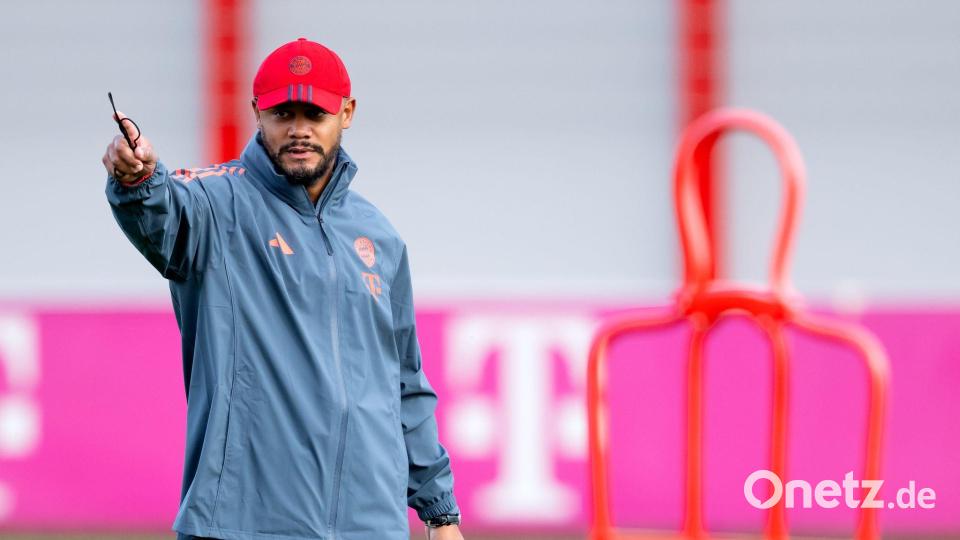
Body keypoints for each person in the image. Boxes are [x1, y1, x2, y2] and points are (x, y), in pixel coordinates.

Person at [102, 38, 463, 540]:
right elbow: (161, 214)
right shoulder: (214, 204)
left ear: (347, 113)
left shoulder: (379, 237)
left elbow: (405, 382)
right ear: (256, 112)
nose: (298, 129)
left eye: (314, 114)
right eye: (282, 113)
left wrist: (440, 513)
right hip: (244, 524)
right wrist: (138, 180)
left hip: (372, 525)